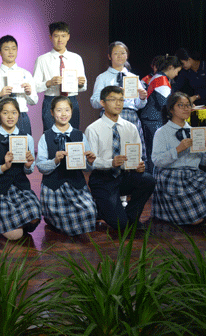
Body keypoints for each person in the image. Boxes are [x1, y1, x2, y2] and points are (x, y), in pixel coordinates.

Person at [85, 86, 155, 230]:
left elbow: (137, 155)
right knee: (120, 225)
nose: (118, 103)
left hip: (124, 176)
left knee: (148, 180)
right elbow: (90, 162)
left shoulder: (130, 127)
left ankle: (131, 217)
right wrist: (111, 163)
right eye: (113, 100)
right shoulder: (93, 129)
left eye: (121, 100)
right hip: (103, 179)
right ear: (102, 103)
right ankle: (100, 208)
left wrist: (139, 165)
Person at [151, 92, 206, 225]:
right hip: (170, 174)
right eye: (181, 105)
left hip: (191, 174)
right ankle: (185, 216)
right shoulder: (162, 132)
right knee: (191, 216)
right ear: (171, 109)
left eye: (188, 105)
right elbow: (157, 161)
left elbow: (204, 162)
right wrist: (178, 149)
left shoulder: (195, 132)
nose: (186, 109)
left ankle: (194, 216)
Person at [0, 97, 41, 240]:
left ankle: (11, 221)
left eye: (14, 112)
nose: (10, 116)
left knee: (35, 214)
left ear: (19, 114)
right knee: (15, 235)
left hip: (20, 187)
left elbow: (29, 171)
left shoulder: (27, 138)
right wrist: (4, 167)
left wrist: (28, 165)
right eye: (5, 113)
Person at [36, 96, 98, 236]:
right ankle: (51, 219)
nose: (63, 114)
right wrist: (55, 161)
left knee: (90, 212)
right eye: (59, 110)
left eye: (67, 110)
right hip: (53, 187)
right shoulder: (45, 137)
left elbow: (86, 168)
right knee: (65, 221)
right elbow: (41, 167)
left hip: (76, 185)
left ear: (71, 111)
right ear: (52, 112)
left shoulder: (80, 135)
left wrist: (89, 162)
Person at [90, 41, 149, 170]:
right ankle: (111, 173)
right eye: (116, 53)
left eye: (123, 53)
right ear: (109, 56)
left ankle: (132, 175)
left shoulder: (133, 77)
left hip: (131, 116)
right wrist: (111, 96)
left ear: (127, 55)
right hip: (109, 116)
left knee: (133, 151)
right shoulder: (103, 77)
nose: (120, 56)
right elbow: (94, 102)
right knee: (111, 149)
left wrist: (142, 97)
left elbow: (138, 105)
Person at [33, 22, 87, 131]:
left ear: (68, 37)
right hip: (51, 100)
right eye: (56, 36)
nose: (60, 40)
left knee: (72, 133)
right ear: (50, 37)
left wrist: (81, 84)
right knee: (50, 134)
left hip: (71, 99)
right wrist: (49, 83)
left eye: (63, 36)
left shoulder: (76, 58)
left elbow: (84, 87)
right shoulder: (42, 59)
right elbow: (34, 86)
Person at [0, 34, 38, 135]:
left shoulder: (26, 74)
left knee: (23, 145)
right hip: (0, 117)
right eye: (6, 49)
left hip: (21, 116)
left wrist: (28, 93)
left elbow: (34, 101)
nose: (11, 52)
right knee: (0, 145)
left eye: (14, 48)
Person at [139, 55, 182, 173]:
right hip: (154, 120)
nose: (177, 75)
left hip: (150, 119)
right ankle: (155, 178)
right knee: (155, 151)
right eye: (177, 71)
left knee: (151, 150)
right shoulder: (161, 80)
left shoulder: (157, 77)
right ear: (171, 67)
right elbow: (165, 104)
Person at [172, 48, 206, 116]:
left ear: (189, 59)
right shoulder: (185, 71)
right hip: (199, 106)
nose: (181, 66)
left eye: (182, 63)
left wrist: (195, 97)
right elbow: (177, 85)